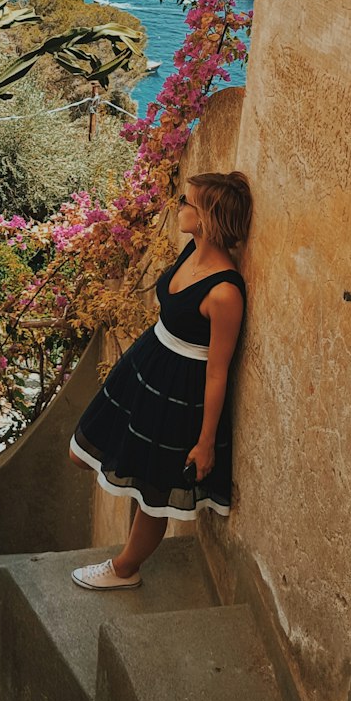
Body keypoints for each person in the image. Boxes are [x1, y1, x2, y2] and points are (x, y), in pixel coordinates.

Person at [69, 171, 252, 590]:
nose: (180, 207)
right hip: (149, 362)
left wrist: (205, 442)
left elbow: (218, 370)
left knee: (155, 491)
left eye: (188, 202)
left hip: (180, 389)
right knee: (83, 451)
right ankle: (125, 563)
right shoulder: (193, 251)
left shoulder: (225, 292)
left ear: (206, 217)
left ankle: (124, 569)